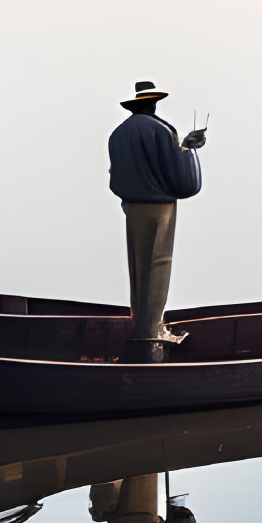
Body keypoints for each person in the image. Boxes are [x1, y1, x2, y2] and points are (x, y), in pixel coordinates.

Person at [107, 80, 205, 353]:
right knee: (158, 264)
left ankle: (141, 325)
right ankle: (152, 333)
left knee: (138, 266)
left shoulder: (119, 133)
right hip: (159, 205)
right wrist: (188, 146)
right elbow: (179, 172)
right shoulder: (161, 130)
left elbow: (116, 174)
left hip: (131, 205)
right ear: (152, 104)